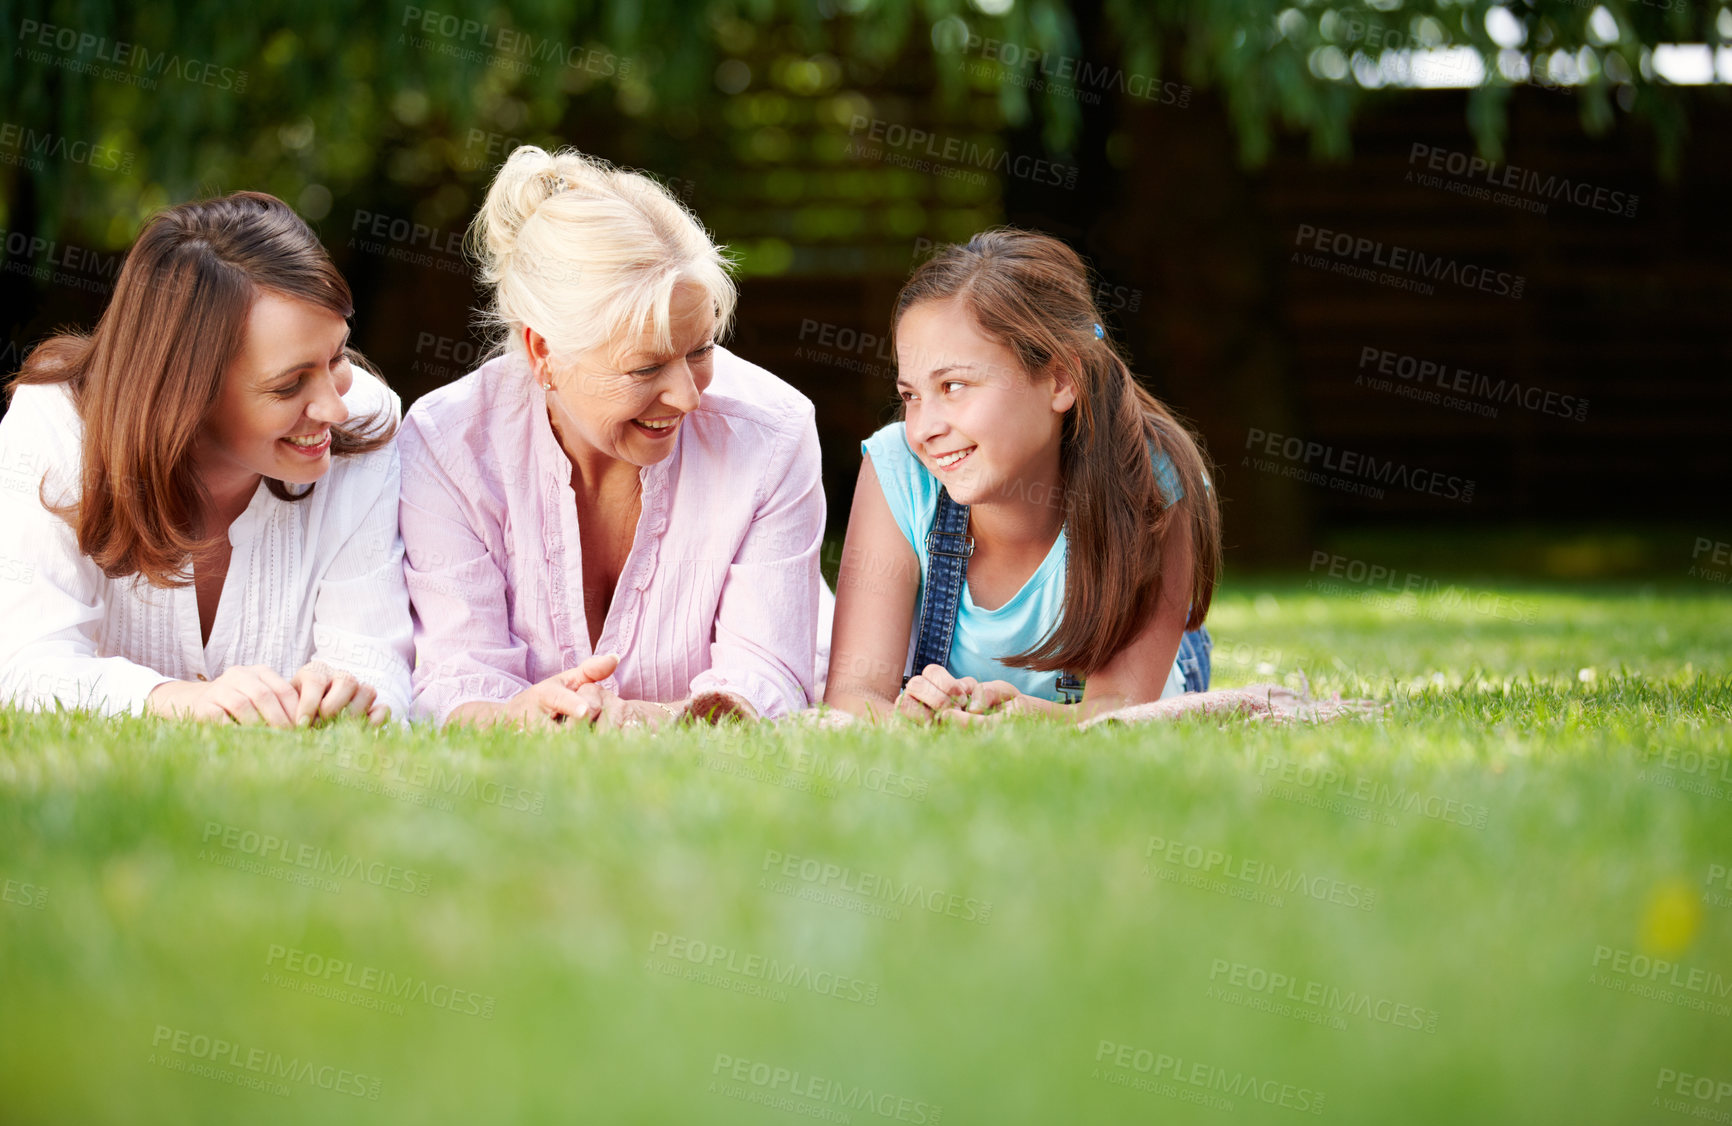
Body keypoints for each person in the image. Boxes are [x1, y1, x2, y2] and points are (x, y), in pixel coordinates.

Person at [400, 145, 825, 730]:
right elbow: (456, 675)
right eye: (646, 368)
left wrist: (638, 723)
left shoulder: (773, 433)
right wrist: (521, 717)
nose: (688, 396)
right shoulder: (447, 443)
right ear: (543, 351)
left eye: (700, 350)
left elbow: (766, 674)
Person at [0, 192, 413, 725]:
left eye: (336, 357)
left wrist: (347, 692)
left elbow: (378, 665)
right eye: (288, 386)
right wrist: (180, 701)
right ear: (187, 391)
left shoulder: (364, 422)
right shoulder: (57, 428)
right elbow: (20, 665)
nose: (334, 407)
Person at [825, 229, 1219, 724]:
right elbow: (853, 695)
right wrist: (919, 723)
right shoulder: (897, 469)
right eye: (911, 395)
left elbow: (1119, 715)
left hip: (1143, 693)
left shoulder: (1152, 482)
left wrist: (1015, 718)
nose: (924, 428)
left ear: (1059, 380)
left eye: (954, 385)